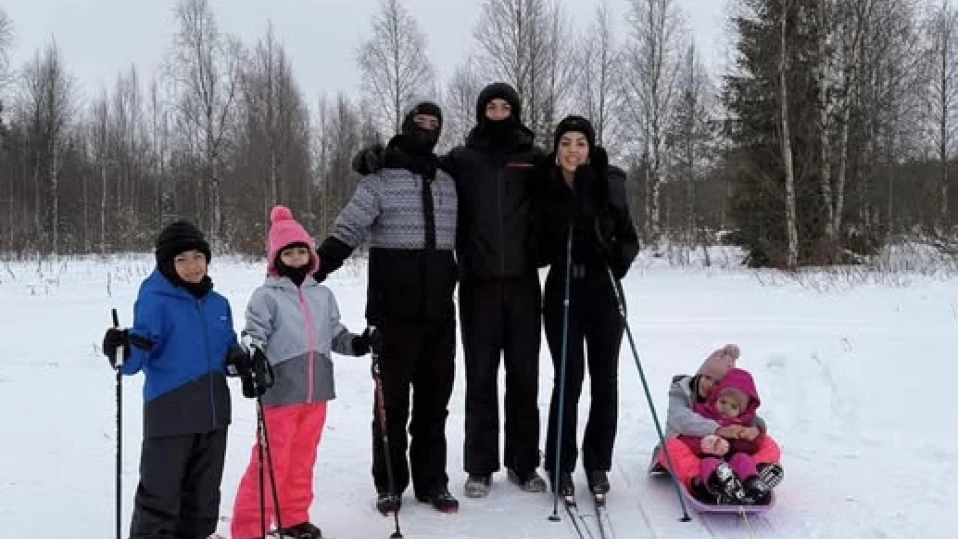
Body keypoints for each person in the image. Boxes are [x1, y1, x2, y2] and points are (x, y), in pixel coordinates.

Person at [352, 82, 547, 498]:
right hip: (476, 284)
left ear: (515, 110)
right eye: (490, 106)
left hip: (523, 284)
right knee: (480, 376)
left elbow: (570, 177)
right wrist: (375, 157)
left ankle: (524, 462)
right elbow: (415, 161)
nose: (497, 112)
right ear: (481, 113)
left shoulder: (534, 160)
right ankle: (479, 466)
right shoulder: (462, 159)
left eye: (504, 106)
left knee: (525, 378)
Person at [314, 100, 460, 514]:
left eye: (435, 124)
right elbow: (348, 228)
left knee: (435, 403)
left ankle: (433, 482)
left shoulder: (448, 179)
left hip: (439, 313)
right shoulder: (378, 179)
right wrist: (312, 271)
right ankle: (390, 484)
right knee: (390, 405)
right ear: (407, 125)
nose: (427, 129)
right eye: (421, 122)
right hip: (392, 313)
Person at [230, 206, 371, 539]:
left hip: (316, 390)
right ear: (276, 258)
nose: (295, 257)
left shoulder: (322, 295)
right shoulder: (266, 297)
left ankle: (293, 517)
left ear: (310, 254)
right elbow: (253, 334)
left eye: (301, 250)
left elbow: (334, 335)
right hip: (280, 391)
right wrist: (254, 356)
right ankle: (249, 528)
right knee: (270, 461)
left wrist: (359, 343)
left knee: (302, 459)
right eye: (288, 252)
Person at [101, 220, 244, 539]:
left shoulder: (219, 304)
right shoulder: (155, 300)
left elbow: (227, 347)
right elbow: (137, 357)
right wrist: (122, 348)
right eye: (181, 260)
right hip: (170, 414)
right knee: (161, 496)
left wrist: (240, 360)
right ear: (167, 265)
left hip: (214, 415)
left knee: (204, 497)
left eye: (198, 257)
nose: (192, 266)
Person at [534, 115, 640, 498]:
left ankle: (597, 463)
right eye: (566, 142)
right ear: (557, 148)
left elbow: (629, 239)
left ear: (590, 148)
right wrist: (544, 248)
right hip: (563, 287)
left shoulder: (608, 182)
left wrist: (612, 256)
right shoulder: (544, 183)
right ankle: (559, 464)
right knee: (569, 379)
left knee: (605, 380)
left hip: (602, 288)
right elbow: (535, 243)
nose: (573, 150)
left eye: (580, 143)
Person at [649, 345, 785, 504]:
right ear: (699, 374)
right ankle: (700, 482)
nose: (708, 385)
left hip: (730, 457)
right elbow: (679, 418)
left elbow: (752, 417)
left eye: (716, 383)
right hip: (692, 451)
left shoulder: (725, 400)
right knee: (670, 448)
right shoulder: (682, 391)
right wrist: (720, 430)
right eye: (706, 377)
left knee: (768, 444)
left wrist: (755, 430)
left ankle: (753, 478)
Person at [677, 368, 773, 504]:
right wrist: (704, 444)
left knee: (743, 459)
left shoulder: (745, 423)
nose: (726, 408)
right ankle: (714, 488)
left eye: (733, 407)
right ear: (715, 398)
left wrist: (746, 438)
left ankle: (752, 484)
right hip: (708, 458)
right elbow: (687, 435)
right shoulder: (703, 414)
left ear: (742, 411)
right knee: (709, 463)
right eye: (723, 402)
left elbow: (754, 447)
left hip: (733, 461)